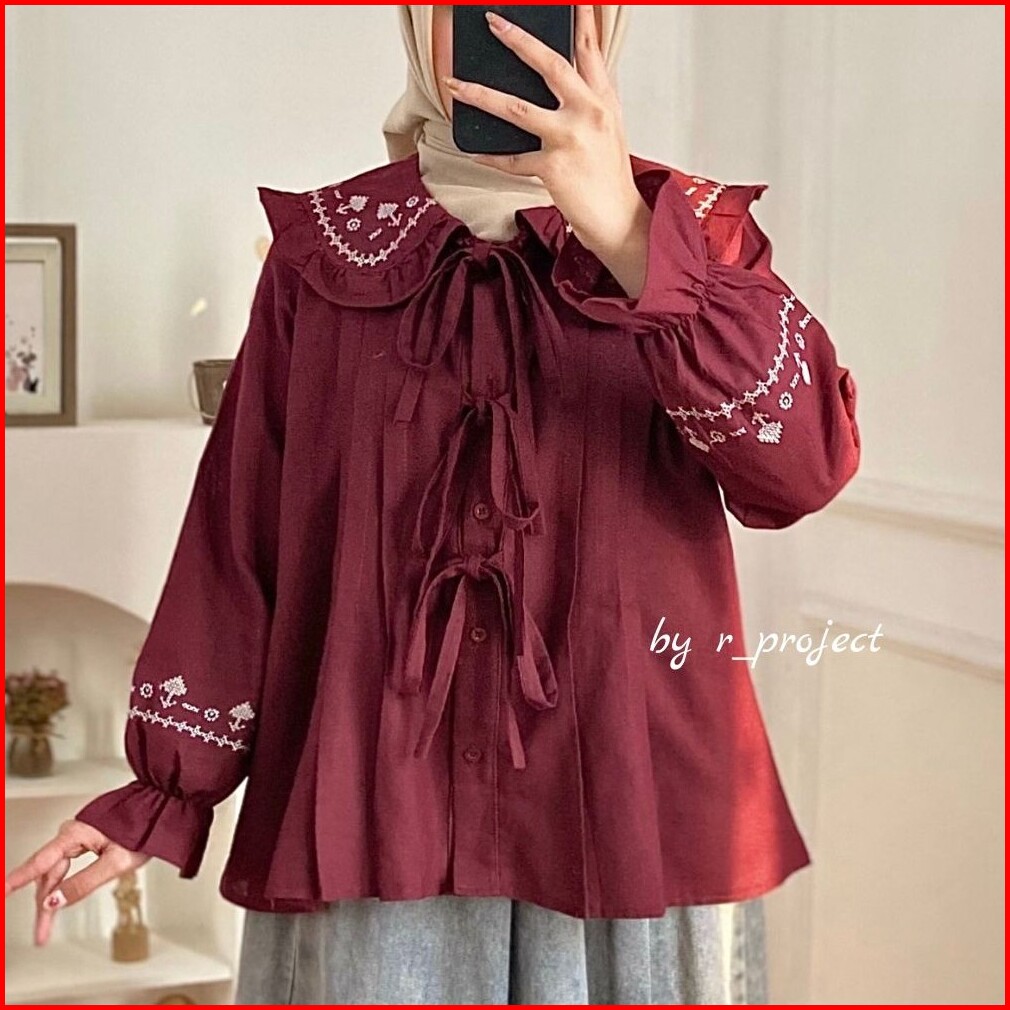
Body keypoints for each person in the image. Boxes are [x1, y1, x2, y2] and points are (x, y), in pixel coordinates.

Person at [4, 5, 860, 1004]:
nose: (512, 27)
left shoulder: (698, 238)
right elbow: (242, 538)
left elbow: (801, 467)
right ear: (417, 22)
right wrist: (161, 792)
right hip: (373, 820)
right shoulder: (323, 256)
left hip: (621, 819)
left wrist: (631, 240)